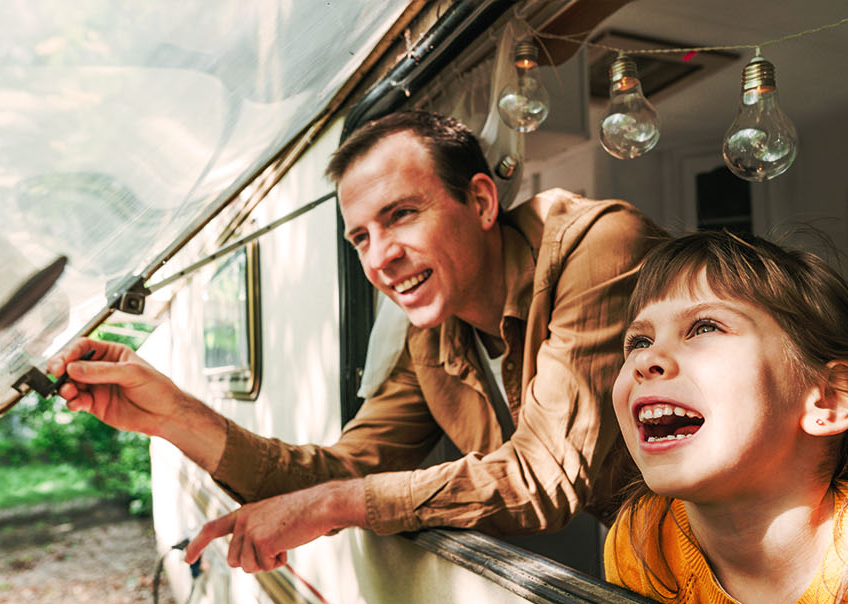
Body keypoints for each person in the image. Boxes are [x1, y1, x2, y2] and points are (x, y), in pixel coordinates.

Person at [48, 110, 661, 573]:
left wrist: (327, 508)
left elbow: (542, 480)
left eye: (401, 215)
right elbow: (340, 471)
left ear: (479, 201)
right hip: (653, 559)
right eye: (360, 237)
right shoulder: (428, 337)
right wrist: (172, 414)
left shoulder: (595, 244)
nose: (381, 258)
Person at [604, 231, 848, 602]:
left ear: (828, 399)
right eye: (639, 341)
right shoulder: (643, 538)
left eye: (705, 328)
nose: (646, 360)